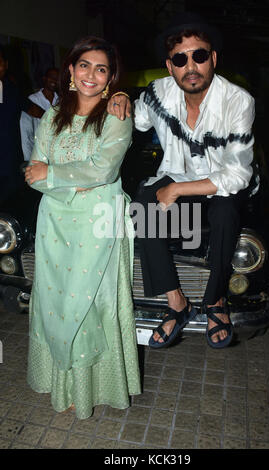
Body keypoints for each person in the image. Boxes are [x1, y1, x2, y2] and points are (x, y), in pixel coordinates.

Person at [108, 13, 256, 349]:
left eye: (199, 55)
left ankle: (216, 300)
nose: (191, 66)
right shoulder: (159, 94)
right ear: (170, 66)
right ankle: (178, 304)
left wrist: (176, 189)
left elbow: (237, 175)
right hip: (178, 177)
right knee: (143, 204)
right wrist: (118, 99)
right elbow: (135, 120)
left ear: (213, 59)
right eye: (180, 59)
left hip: (219, 184)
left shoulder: (238, 101)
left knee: (224, 211)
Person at [24, 36, 141, 419]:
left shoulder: (117, 117)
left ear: (110, 79)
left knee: (89, 303)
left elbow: (103, 169)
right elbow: (32, 172)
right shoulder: (50, 119)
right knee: (55, 303)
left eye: (102, 69)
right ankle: (63, 384)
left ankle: (91, 388)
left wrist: (53, 174)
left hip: (98, 223)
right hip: (54, 223)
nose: (92, 74)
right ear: (71, 71)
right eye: (85, 65)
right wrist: (54, 179)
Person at [0, 45, 44, 202]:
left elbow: (33, 110)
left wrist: (56, 117)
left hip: (10, 162)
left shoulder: (11, 89)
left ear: (5, 65)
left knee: (10, 206)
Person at [20, 67, 59, 161]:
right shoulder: (32, 100)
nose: (54, 80)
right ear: (44, 78)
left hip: (57, 153)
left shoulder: (61, 101)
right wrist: (28, 158)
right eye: (51, 77)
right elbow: (26, 132)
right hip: (39, 154)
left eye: (57, 78)